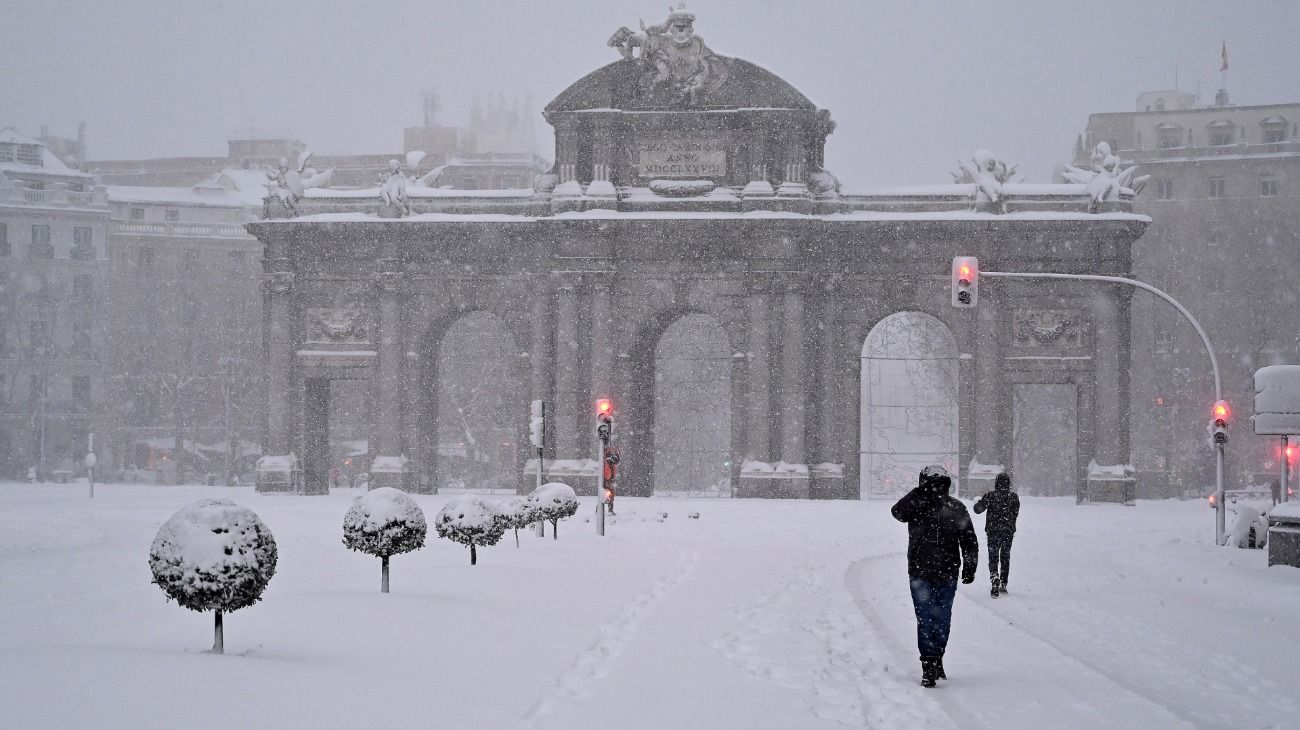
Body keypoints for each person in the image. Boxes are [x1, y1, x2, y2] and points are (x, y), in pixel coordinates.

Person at [891, 465, 979, 687]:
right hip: (922, 571)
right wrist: (918, 493)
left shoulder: (955, 507)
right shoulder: (916, 505)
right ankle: (929, 663)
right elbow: (897, 512)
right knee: (928, 618)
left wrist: (970, 566)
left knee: (940, 617)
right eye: (931, 485)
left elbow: (969, 539)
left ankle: (936, 656)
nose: (936, 489)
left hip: (945, 571)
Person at [973, 473, 1021, 598]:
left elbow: (978, 510)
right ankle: (1004, 584)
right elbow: (1015, 513)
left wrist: (978, 503)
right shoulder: (1014, 497)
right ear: (1008, 484)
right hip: (1008, 532)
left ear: (996, 483)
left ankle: (994, 576)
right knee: (1005, 557)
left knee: (993, 557)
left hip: (993, 532)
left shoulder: (990, 496)